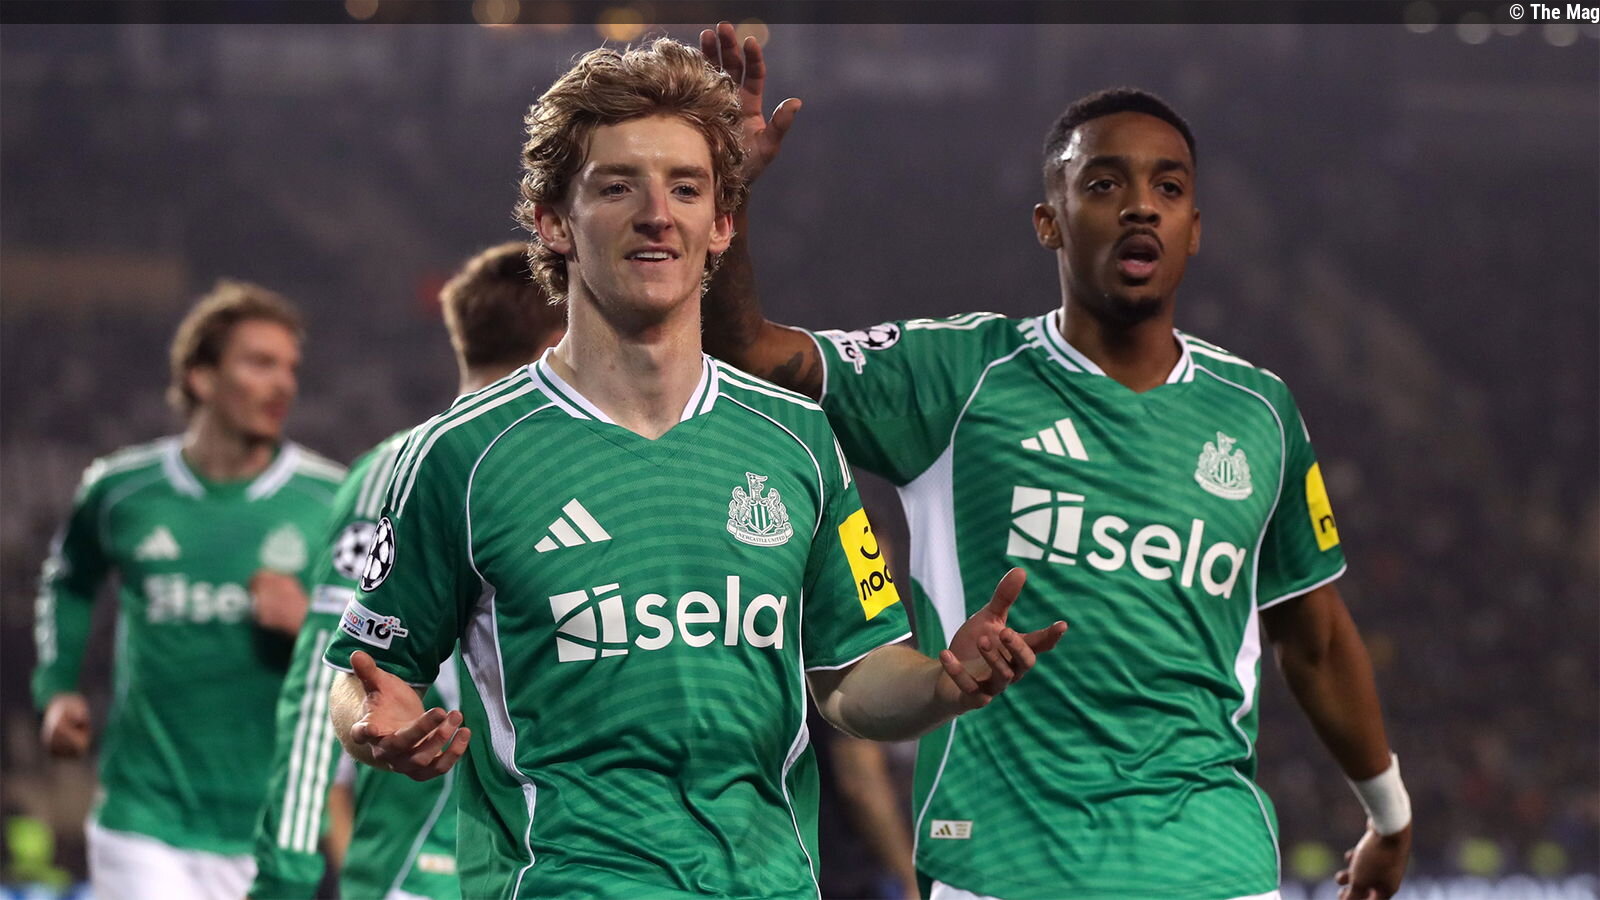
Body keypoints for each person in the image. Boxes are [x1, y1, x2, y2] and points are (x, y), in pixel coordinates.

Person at [321, 38, 1066, 900]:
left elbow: (853, 679)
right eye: (617, 187)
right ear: (554, 222)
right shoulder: (460, 455)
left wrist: (942, 682)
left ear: (721, 225)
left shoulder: (798, 440)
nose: (656, 214)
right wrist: (372, 720)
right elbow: (367, 672)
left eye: (685, 187)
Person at [697, 23, 1413, 900]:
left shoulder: (1258, 411)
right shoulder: (956, 376)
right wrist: (725, 192)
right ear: (1049, 222)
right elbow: (749, 354)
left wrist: (1389, 817)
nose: (1141, 206)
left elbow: (1317, 637)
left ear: (1194, 230)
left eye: (1168, 187)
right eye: (1104, 183)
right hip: (1003, 870)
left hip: (1213, 870)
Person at [248, 243, 565, 900]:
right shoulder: (400, 470)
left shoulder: (573, 471)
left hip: (554, 870)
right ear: (555, 343)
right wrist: (286, 878)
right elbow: (327, 681)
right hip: (420, 873)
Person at [32, 280, 345, 900]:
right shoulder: (121, 491)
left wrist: (311, 623)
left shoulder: (329, 499)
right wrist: (57, 690)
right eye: (260, 363)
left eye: (290, 367)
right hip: (144, 819)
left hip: (274, 826)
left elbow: (386, 639)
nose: (283, 383)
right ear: (201, 377)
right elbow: (69, 583)